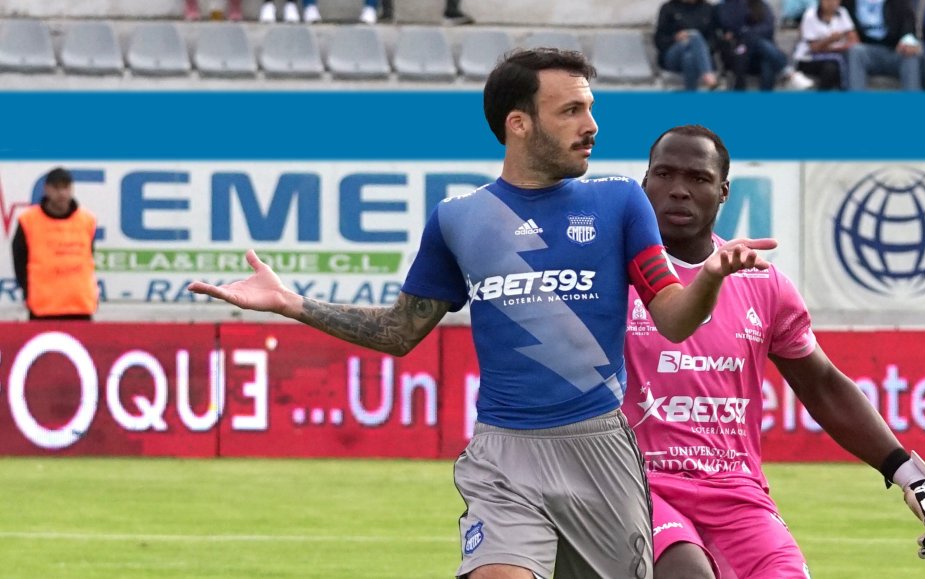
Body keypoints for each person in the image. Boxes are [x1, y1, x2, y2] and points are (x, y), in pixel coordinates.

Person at [188, 48, 777, 579]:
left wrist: (710, 277)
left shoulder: (620, 200)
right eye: (571, 111)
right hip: (504, 451)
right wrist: (292, 303)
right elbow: (399, 332)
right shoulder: (458, 219)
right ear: (519, 124)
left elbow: (673, 319)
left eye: (590, 109)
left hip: (600, 450)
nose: (591, 126)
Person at [624, 125, 925, 578]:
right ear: (645, 182)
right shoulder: (608, 277)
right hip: (634, 483)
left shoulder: (764, 283)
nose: (679, 190)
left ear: (724, 192)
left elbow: (822, 385)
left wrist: (912, 475)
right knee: (688, 572)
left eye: (698, 178)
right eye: (664, 174)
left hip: (736, 491)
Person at [12, 168, 99, 321]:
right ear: (46, 189)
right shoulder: (29, 221)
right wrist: (28, 291)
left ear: (71, 189)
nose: (62, 193)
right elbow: (19, 261)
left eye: (66, 187)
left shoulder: (87, 220)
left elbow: (89, 257)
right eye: (56, 188)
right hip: (43, 307)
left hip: (80, 304)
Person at [715, 0, 808, 91]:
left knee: (766, 59)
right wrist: (741, 0)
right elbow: (731, 25)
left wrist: (747, 33)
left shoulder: (760, 3)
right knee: (758, 43)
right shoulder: (722, 5)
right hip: (737, 52)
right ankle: (788, 72)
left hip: (758, 54)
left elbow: (768, 28)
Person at [842, 0, 923, 91]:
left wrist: (907, 39)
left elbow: (908, 19)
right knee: (855, 51)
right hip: (866, 50)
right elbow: (844, 19)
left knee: (911, 54)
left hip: (894, 49)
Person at [654, 0, 720, 91]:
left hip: (700, 56)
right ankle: (708, 75)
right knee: (693, 36)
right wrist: (676, 38)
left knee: (689, 57)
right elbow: (659, 39)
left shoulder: (708, 9)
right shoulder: (668, 8)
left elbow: (714, 39)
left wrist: (699, 48)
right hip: (673, 55)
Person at [794, 0, 859, 90]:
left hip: (836, 55)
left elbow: (854, 39)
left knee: (846, 64)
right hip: (809, 59)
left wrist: (842, 47)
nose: (832, 2)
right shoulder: (810, 16)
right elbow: (813, 48)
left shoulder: (842, 13)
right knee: (831, 68)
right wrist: (830, 40)